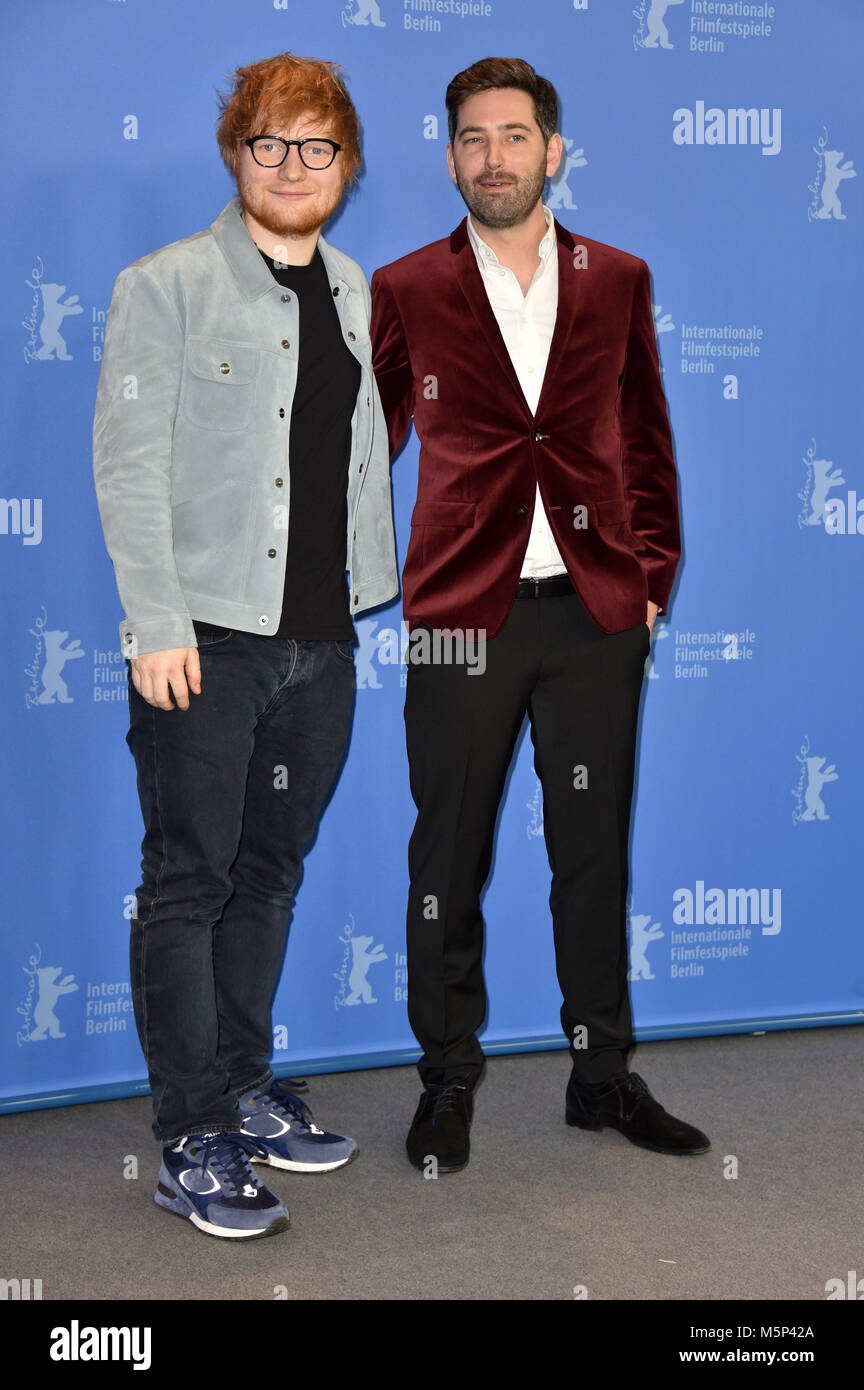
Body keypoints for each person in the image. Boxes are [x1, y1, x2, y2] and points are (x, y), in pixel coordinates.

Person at [370, 56, 709, 1173]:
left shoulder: (617, 278)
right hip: (463, 615)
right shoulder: (407, 285)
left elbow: (646, 439)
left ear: (553, 150)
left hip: (594, 613)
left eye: (515, 136)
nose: (495, 157)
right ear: (451, 154)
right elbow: (366, 458)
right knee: (447, 854)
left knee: (591, 854)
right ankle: (448, 1077)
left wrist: (650, 577)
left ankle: (601, 1075)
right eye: (473, 138)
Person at [93, 52, 397, 1238]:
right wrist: (157, 623)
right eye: (270, 142)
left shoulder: (357, 288)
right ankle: (191, 1133)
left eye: (317, 146)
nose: (292, 166)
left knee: (269, 873)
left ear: (348, 165)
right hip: (207, 644)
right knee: (188, 879)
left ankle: (245, 1082)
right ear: (236, 153)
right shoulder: (163, 285)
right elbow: (129, 468)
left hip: (324, 641)